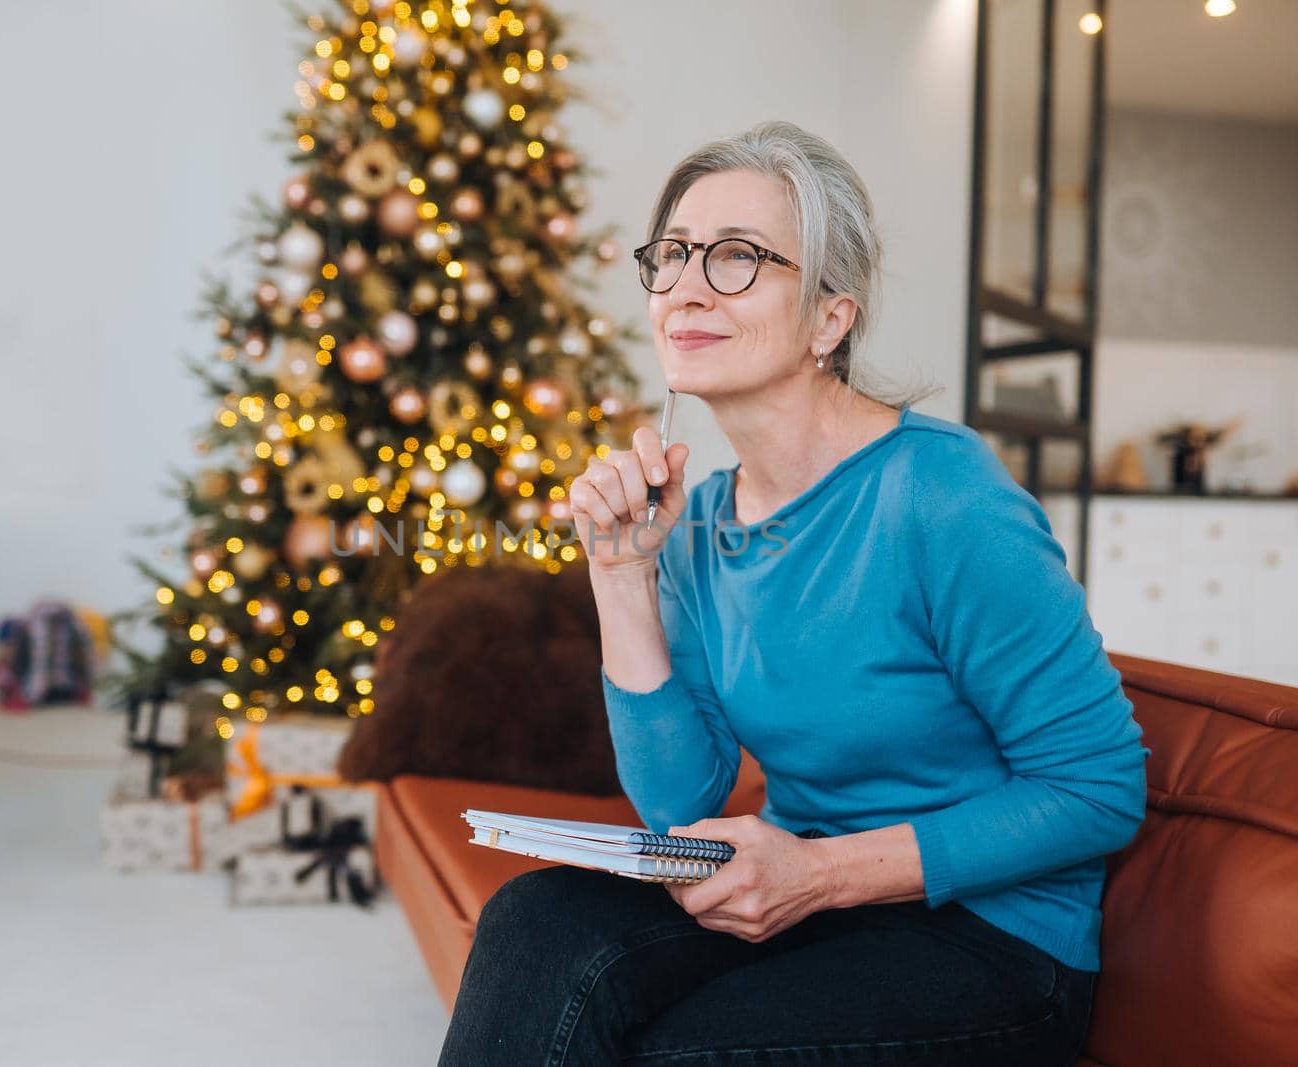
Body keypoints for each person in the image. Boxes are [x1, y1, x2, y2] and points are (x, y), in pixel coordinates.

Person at [437, 120, 1150, 1066]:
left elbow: (1099, 787)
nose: (685, 287)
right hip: (800, 892)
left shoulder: (943, 496)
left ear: (829, 318)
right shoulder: (695, 522)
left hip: (990, 942)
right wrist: (620, 572)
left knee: (678, 1051)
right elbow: (678, 802)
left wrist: (820, 872)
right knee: (534, 921)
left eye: (736, 258)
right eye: (674, 256)